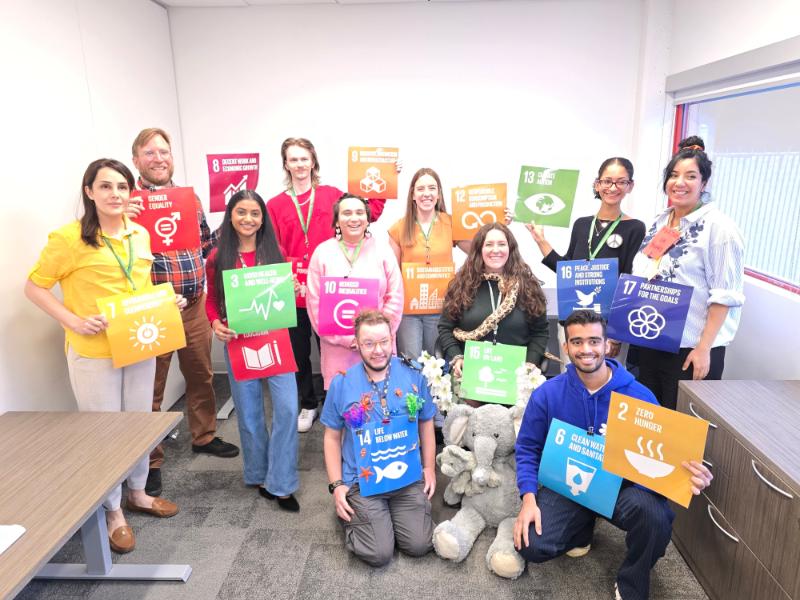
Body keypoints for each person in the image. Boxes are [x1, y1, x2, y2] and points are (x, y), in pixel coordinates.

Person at [25, 159, 182, 554]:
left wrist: (166, 303)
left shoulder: (139, 234)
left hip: (138, 343)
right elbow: (34, 287)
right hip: (94, 352)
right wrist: (73, 321)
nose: (116, 195)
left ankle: (139, 493)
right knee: (105, 432)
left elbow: (139, 287)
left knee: (138, 424)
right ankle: (113, 511)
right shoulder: (68, 238)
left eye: (123, 187)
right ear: (89, 192)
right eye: (106, 187)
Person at [513, 310, 713, 600]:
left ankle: (632, 582)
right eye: (577, 342)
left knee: (656, 518)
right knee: (531, 544)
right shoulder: (547, 394)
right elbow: (528, 449)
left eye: (594, 341)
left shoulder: (640, 395)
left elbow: (665, 454)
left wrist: (688, 476)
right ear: (566, 347)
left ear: (607, 346)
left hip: (623, 490)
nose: (586, 350)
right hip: (570, 483)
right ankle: (582, 527)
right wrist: (528, 499)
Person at [129, 127, 239, 498]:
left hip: (192, 304)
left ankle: (204, 435)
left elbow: (206, 242)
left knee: (201, 374)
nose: (158, 158)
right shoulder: (129, 203)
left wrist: (232, 222)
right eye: (150, 152)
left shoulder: (187, 200)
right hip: (152, 310)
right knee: (151, 387)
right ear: (136, 160)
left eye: (164, 151)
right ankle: (152, 460)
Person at [267, 138, 389, 433]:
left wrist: (385, 177)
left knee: (335, 349)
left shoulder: (331, 195)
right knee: (298, 352)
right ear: (286, 164)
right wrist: (289, 278)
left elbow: (367, 210)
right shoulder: (275, 204)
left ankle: (341, 400)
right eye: (293, 159)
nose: (299, 164)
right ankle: (308, 403)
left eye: (304, 158)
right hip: (292, 289)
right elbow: (273, 246)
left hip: (331, 292)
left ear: (313, 162)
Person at [631, 136, 745, 410]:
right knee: (645, 422)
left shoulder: (719, 229)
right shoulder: (661, 221)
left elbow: (724, 295)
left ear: (704, 183)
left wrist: (704, 348)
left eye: (690, 176)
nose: (679, 183)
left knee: (679, 432)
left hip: (689, 350)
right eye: (674, 175)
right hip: (652, 337)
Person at [205, 190, 301, 512]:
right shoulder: (217, 258)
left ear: (263, 219)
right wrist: (215, 323)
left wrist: (294, 289)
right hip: (239, 342)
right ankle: (259, 474)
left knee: (287, 408)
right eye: (242, 212)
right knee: (249, 414)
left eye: (255, 213)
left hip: (275, 339)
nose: (248, 219)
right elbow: (210, 302)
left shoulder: (275, 253)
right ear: (230, 215)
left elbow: (282, 295)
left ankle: (283, 483)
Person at [321, 309, 436, 566]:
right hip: (363, 481)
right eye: (369, 343)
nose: (378, 350)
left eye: (384, 341)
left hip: (405, 475)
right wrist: (337, 484)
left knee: (419, 545)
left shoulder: (414, 374)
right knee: (379, 553)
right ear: (357, 344)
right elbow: (331, 437)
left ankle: (383, 518)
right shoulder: (342, 384)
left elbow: (426, 421)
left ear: (392, 338)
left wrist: (429, 467)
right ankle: (358, 518)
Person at [526, 157, 646, 360]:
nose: (613, 187)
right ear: (597, 184)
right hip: (573, 322)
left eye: (621, 181)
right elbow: (567, 271)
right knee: (571, 379)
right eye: (607, 181)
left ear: (630, 186)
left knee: (607, 383)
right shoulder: (582, 225)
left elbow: (630, 283)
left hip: (606, 328)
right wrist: (540, 240)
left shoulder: (635, 228)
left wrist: (616, 335)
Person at [437, 222, 549, 403]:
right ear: (479, 249)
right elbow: (445, 327)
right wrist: (457, 357)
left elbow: (540, 332)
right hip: (472, 377)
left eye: (501, 244)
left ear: (510, 248)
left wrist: (530, 364)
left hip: (515, 378)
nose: (495, 250)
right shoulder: (462, 285)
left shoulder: (527, 286)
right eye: (489, 244)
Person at [306, 193, 403, 390]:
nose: (354, 218)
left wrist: (373, 337)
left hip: (378, 347)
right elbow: (315, 304)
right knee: (344, 410)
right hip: (337, 351)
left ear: (367, 219)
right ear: (337, 220)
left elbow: (395, 296)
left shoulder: (383, 251)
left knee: (381, 408)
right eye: (347, 213)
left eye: (359, 212)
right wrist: (348, 339)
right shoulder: (322, 253)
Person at [387, 167, 471, 360]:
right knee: (412, 362)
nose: (427, 193)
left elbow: (478, 250)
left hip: (441, 309)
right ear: (413, 194)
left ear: (439, 193)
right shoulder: (399, 228)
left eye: (432, 188)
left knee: (437, 363)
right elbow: (392, 273)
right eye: (421, 189)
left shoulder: (451, 223)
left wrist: (499, 222)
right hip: (409, 312)